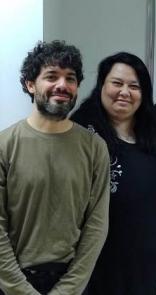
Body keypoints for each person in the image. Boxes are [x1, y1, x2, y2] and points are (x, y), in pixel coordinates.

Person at [0, 40, 110, 295]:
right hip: (12, 285)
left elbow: (96, 226)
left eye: (70, 78)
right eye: (51, 76)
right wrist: (20, 291)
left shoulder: (94, 148)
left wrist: (67, 291)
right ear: (30, 84)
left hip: (72, 284)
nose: (62, 85)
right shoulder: (5, 145)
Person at [71, 52, 156, 295]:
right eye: (117, 83)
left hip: (146, 271)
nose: (125, 92)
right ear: (102, 86)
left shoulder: (154, 135)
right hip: (99, 272)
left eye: (134, 86)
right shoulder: (82, 134)